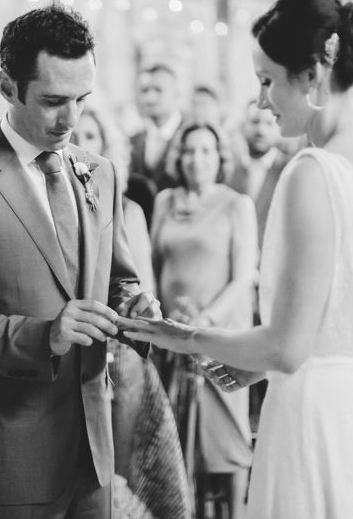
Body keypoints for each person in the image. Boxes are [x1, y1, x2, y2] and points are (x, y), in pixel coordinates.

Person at [121, 0, 353, 517]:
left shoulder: (312, 173)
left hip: (316, 426)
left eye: (267, 80)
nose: (261, 100)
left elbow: (287, 347)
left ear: (312, 74)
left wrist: (182, 337)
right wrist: (258, 362)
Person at [0, 4, 161, 519]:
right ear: (7, 85)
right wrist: (44, 334)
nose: (71, 120)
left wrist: (136, 307)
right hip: (7, 457)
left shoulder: (101, 173)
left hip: (93, 450)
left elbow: (118, 277)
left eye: (82, 99)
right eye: (53, 101)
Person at [72, 106, 192, 519]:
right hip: (68, 352)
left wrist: (136, 308)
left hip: (118, 352)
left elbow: (136, 288)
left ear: (105, 147)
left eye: (89, 135)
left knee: (118, 468)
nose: (77, 142)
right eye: (74, 133)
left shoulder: (127, 210)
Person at [151, 122, 256, 518]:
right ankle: (183, 507)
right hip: (172, 334)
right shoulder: (164, 201)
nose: (197, 159)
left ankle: (235, 511)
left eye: (207, 151)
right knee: (177, 431)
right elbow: (156, 264)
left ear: (220, 156)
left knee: (225, 433)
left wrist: (206, 321)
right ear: (179, 157)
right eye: (190, 151)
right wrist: (165, 315)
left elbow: (244, 276)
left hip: (220, 335)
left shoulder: (236, 204)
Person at [228, 101, 290, 249]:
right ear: (243, 125)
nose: (260, 130)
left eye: (269, 123)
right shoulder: (228, 171)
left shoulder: (289, 170)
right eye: (255, 122)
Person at [129, 64, 184, 192]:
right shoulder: (133, 141)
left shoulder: (191, 136)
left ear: (176, 93)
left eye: (158, 90)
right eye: (145, 91)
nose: (150, 98)